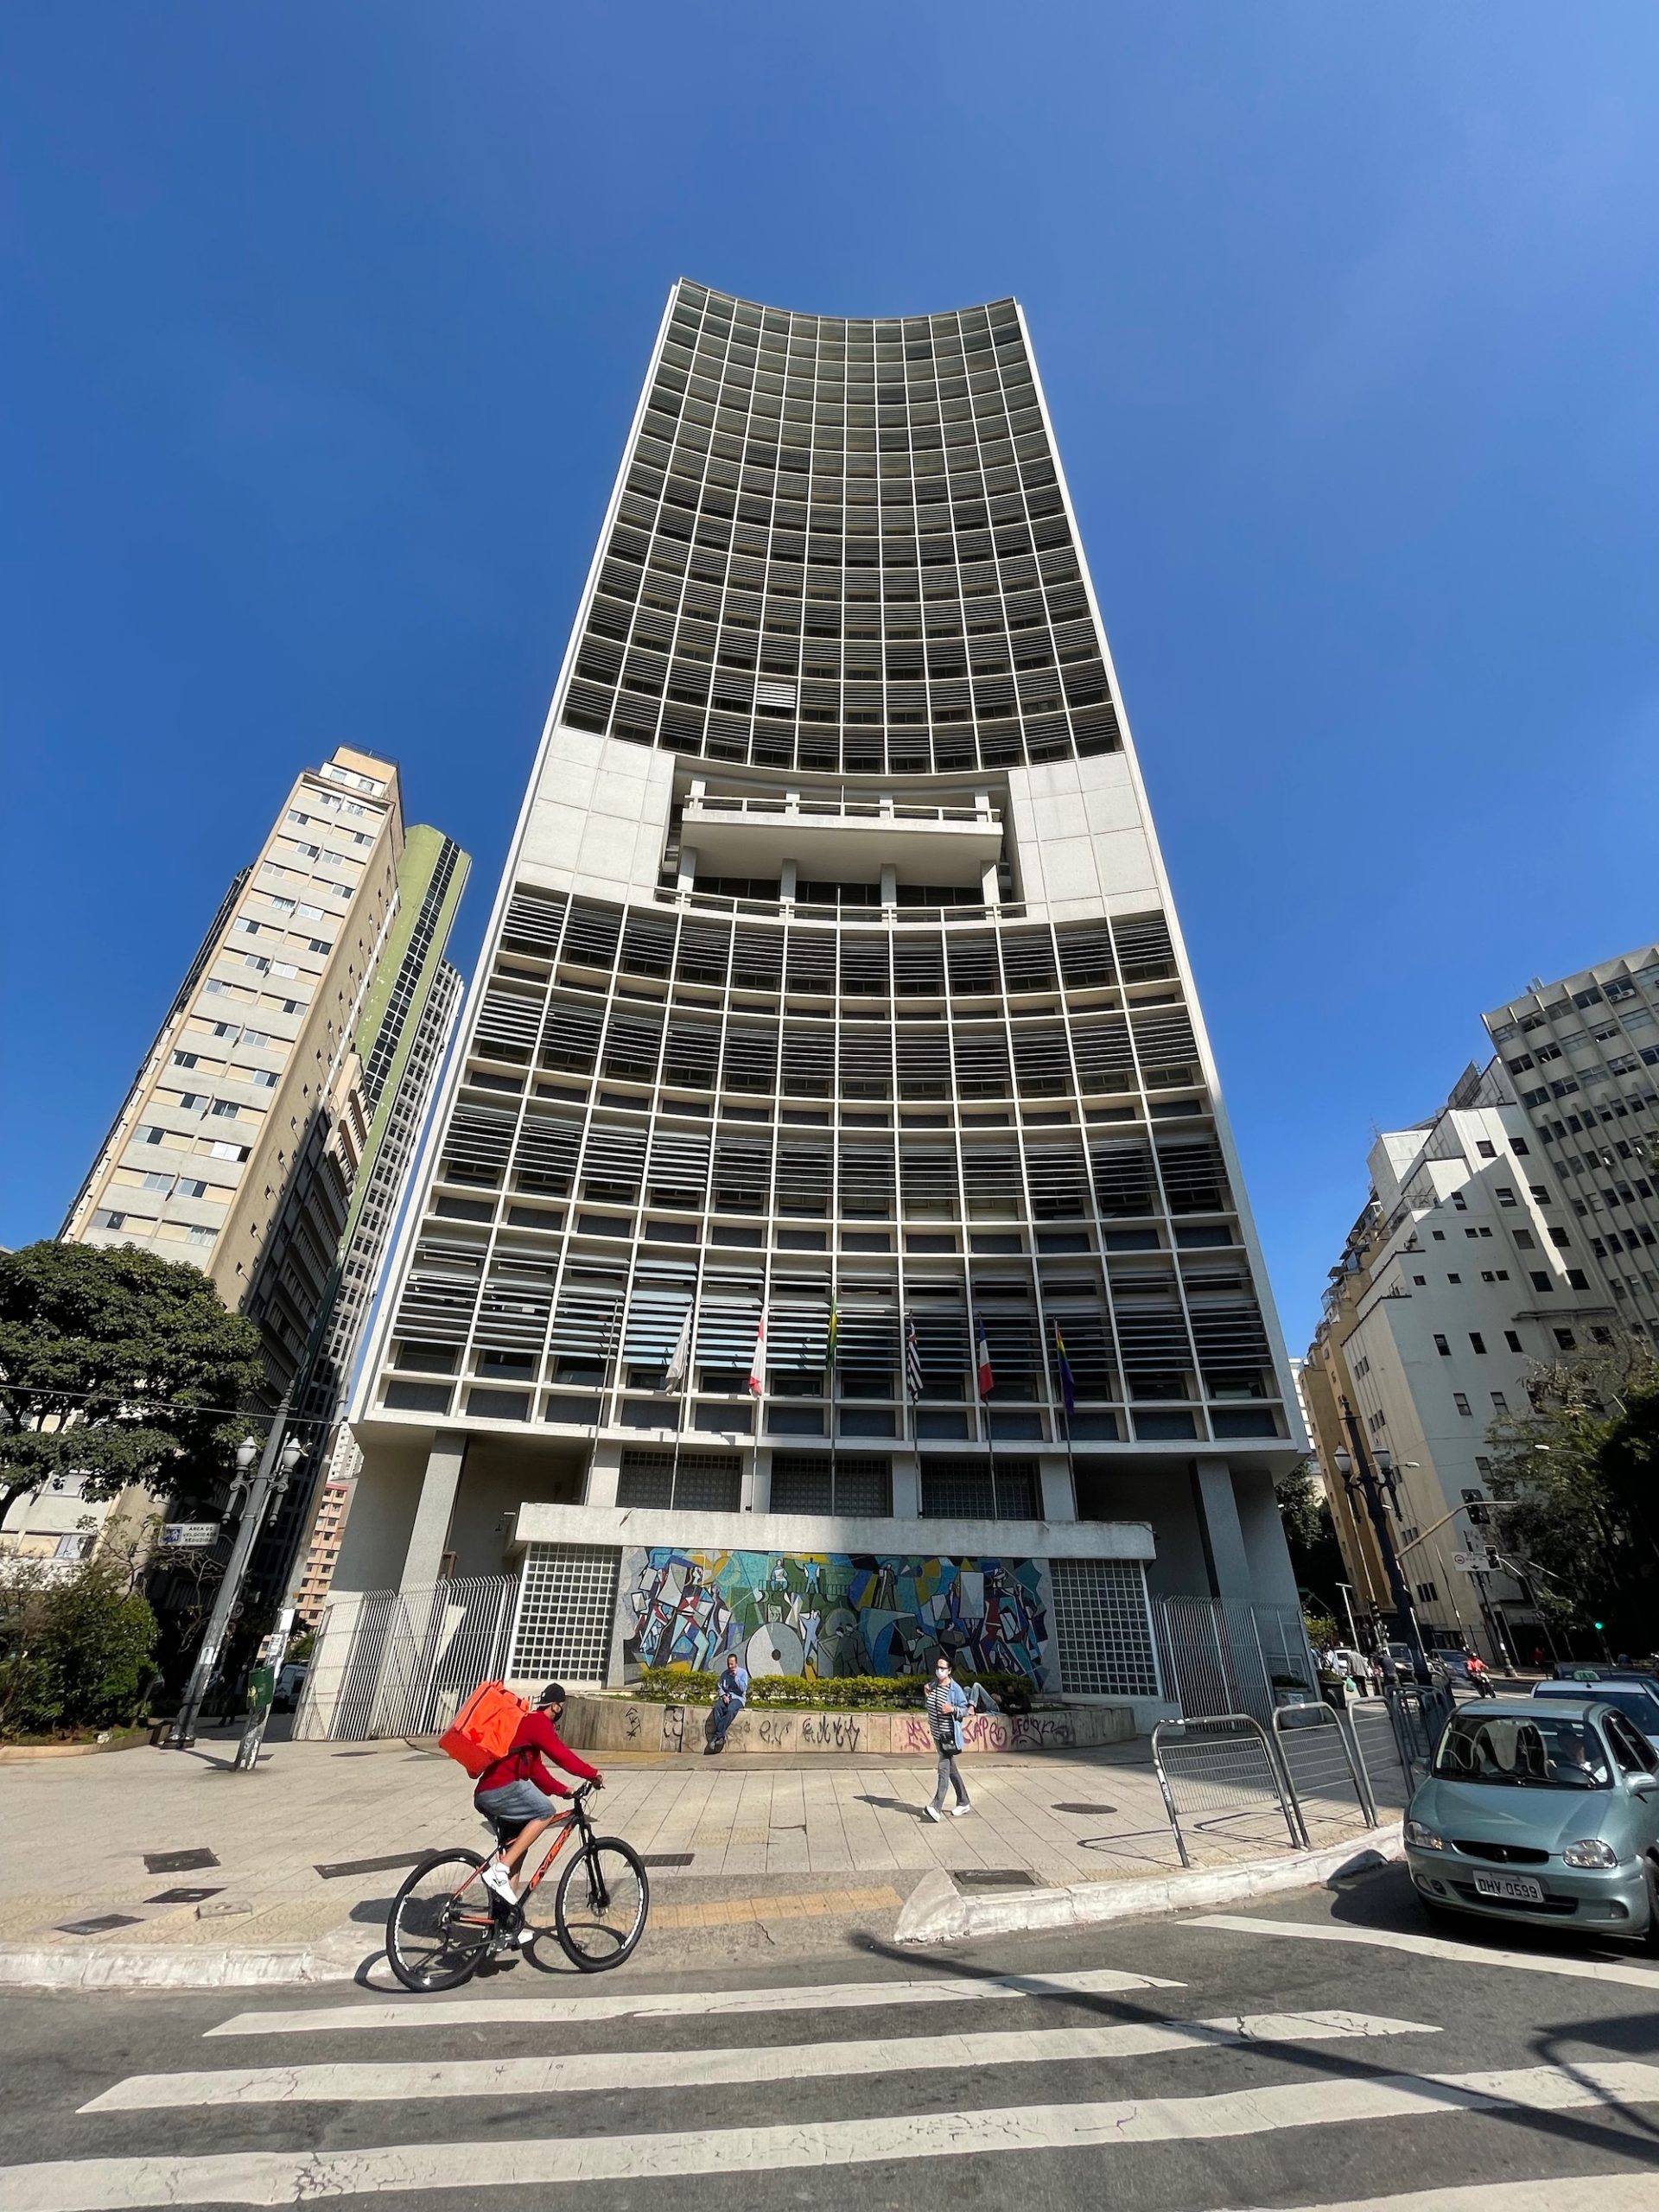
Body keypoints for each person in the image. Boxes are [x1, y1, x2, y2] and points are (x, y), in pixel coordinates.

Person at [474, 1684, 601, 1926]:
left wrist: (564, 1790)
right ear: (555, 1705)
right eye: (561, 1705)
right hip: (500, 1790)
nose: (561, 1710)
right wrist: (592, 1773)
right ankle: (499, 1871)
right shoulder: (538, 1724)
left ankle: (506, 1925)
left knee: (517, 1853)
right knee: (545, 1811)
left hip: (490, 1793)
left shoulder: (529, 1724)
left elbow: (536, 1771)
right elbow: (561, 1755)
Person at [921, 1657, 997, 1822]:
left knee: (943, 1769)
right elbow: (931, 1707)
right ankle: (964, 1801)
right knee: (952, 1770)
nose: (939, 1670)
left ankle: (936, 1806)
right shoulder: (933, 1685)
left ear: (949, 1670)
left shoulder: (955, 1689)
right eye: (937, 1667)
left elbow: (965, 1711)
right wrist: (927, 1695)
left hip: (948, 1736)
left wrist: (952, 1709)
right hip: (937, 1734)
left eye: (942, 1668)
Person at [706, 1652, 750, 1754]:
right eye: (729, 1664)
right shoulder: (725, 1674)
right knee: (717, 1708)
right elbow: (720, 1687)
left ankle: (717, 1736)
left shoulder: (743, 1673)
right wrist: (723, 1696)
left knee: (730, 1710)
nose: (730, 1667)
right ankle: (721, 1737)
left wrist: (736, 1677)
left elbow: (743, 1689)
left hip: (738, 1698)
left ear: (736, 1664)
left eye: (732, 1665)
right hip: (727, 1697)